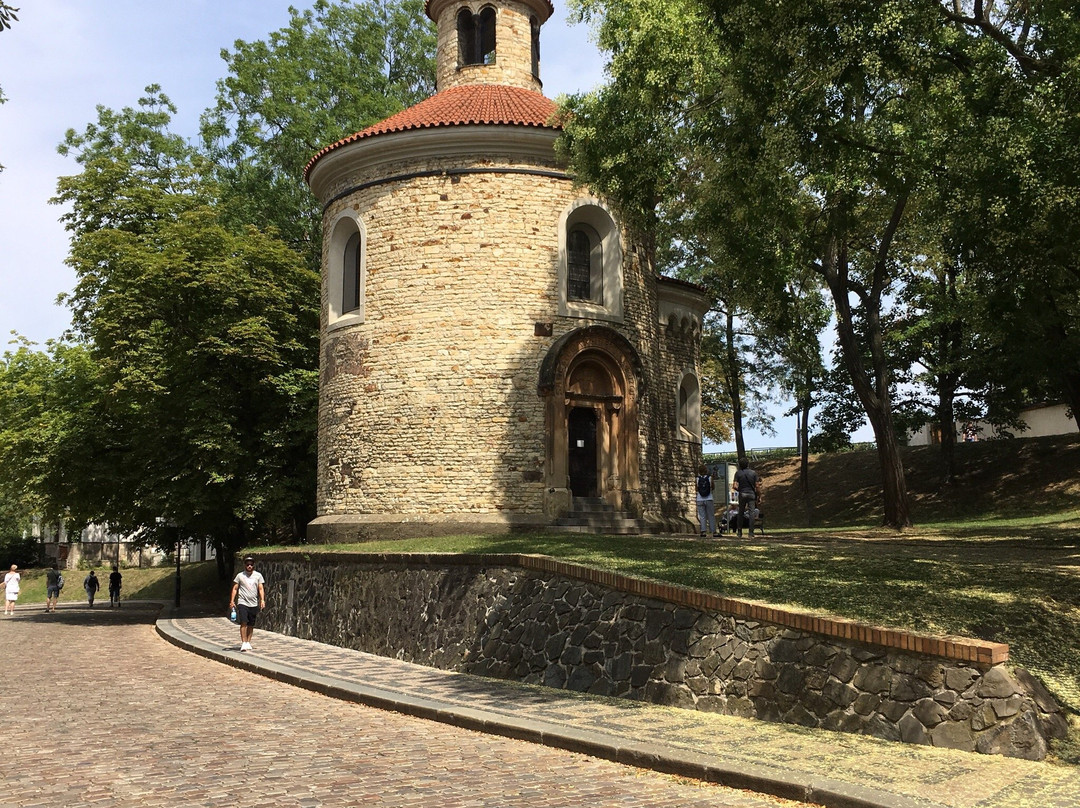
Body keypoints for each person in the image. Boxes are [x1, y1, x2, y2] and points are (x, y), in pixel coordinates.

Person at [229, 555, 266, 652]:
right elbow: (235, 588)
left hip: (253, 603)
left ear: (253, 565)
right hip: (242, 602)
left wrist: (262, 600)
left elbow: (261, 588)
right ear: (245, 565)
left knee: (251, 624)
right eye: (247, 564)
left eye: (251, 564)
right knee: (243, 622)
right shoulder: (240, 576)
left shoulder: (258, 576)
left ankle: (248, 642)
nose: (249, 566)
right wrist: (232, 601)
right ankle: (244, 642)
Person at [732, 457, 762, 538]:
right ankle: (751, 533)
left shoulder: (738, 473)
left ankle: (739, 532)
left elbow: (734, 486)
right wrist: (759, 495)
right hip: (751, 494)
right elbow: (757, 486)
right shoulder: (753, 473)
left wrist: (740, 490)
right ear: (748, 464)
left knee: (740, 512)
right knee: (751, 513)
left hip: (742, 494)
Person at [694, 464, 719, 538]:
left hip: (700, 498)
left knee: (702, 516)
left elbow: (696, 489)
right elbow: (713, 487)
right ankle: (713, 531)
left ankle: (703, 531)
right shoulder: (710, 478)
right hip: (709, 498)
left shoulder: (697, 479)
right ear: (706, 470)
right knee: (711, 515)